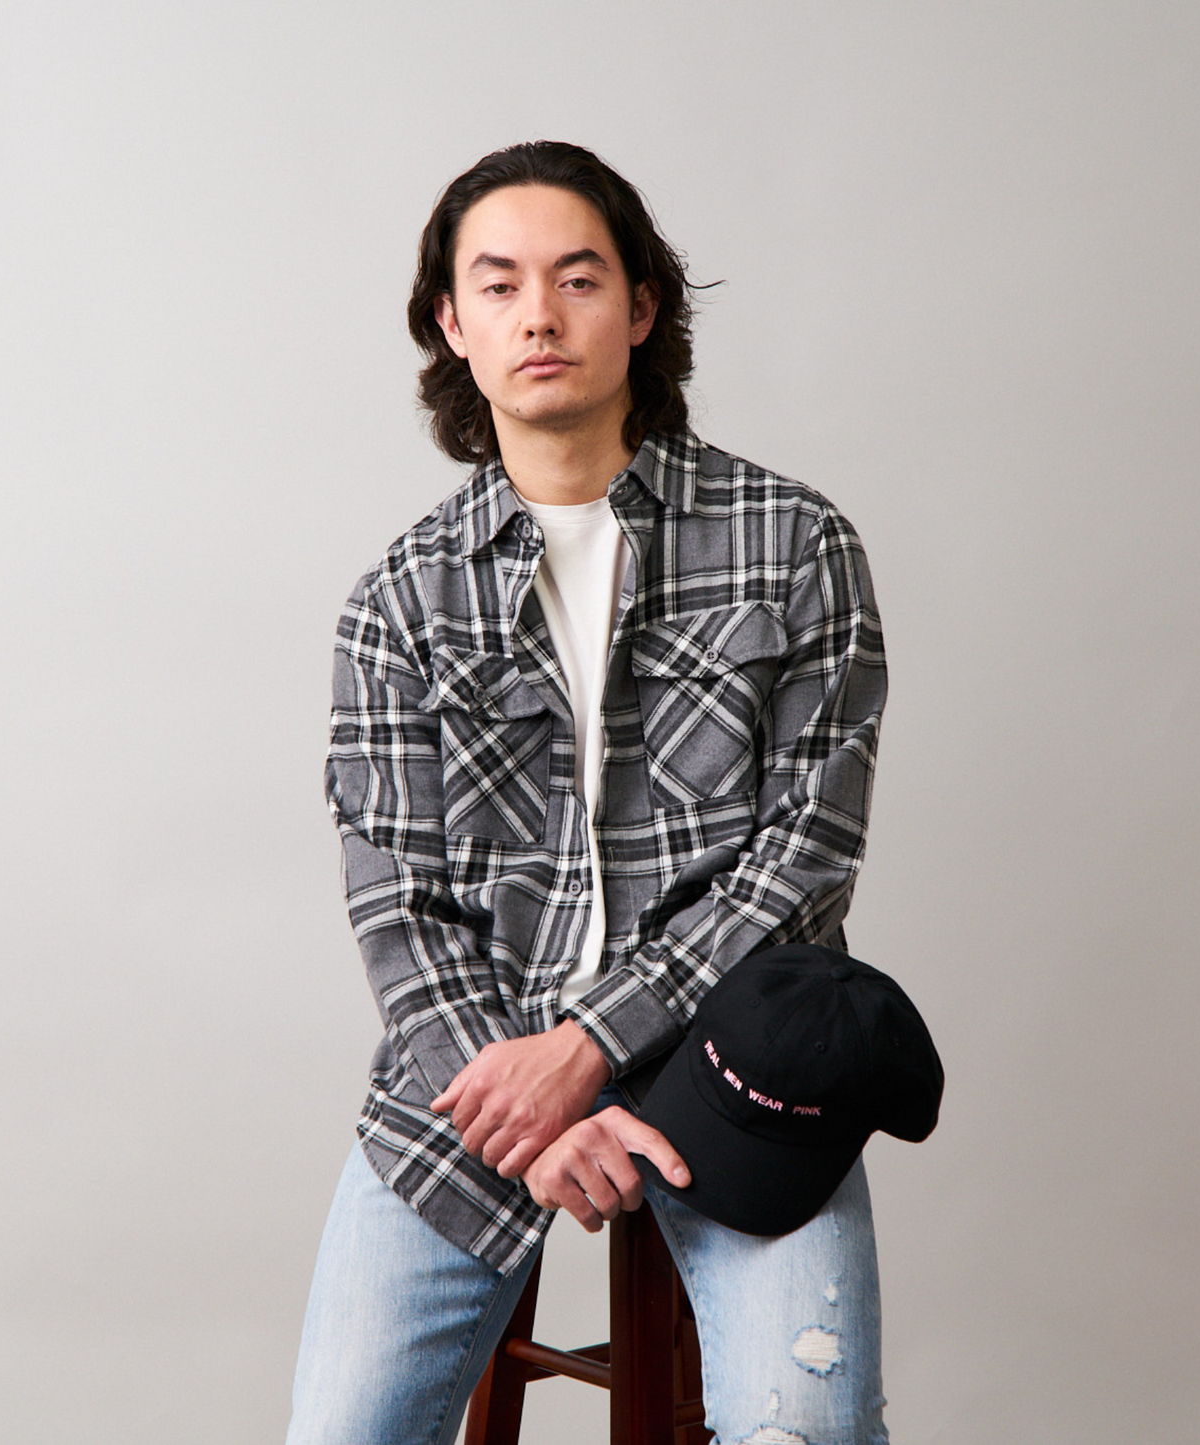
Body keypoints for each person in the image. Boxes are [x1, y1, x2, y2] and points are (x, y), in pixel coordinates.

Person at [288, 141, 890, 1445]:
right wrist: (532, 1108)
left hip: (740, 1077)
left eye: (578, 277)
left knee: (812, 1432)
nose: (540, 316)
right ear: (452, 324)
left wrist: (593, 1048)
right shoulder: (400, 600)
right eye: (498, 286)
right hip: (474, 1090)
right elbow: (400, 906)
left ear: (643, 306)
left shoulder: (796, 546)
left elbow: (804, 861)